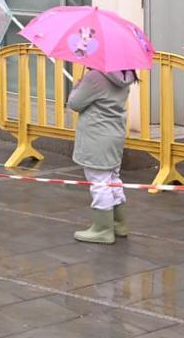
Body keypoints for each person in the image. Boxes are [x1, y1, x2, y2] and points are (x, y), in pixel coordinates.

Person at [67, 69, 136, 244]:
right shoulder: (126, 75)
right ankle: (118, 223)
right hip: (114, 135)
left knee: (99, 181)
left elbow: (75, 103)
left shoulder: (96, 77)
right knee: (113, 178)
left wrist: (78, 86)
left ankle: (103, 229)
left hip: (96, 135)